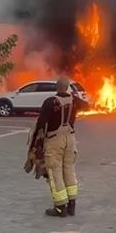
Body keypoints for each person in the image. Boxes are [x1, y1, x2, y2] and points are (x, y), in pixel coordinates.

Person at [31, 76, 79, 217]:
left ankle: (60, 208)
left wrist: (36, 144)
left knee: (55, 171)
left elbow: (40, 125)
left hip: (54, 141)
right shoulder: (74, 101)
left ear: (57, 87)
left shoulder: (50, 102)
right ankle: (71, 206)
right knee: (69, 169)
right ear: (67, 87)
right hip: (70, 139)